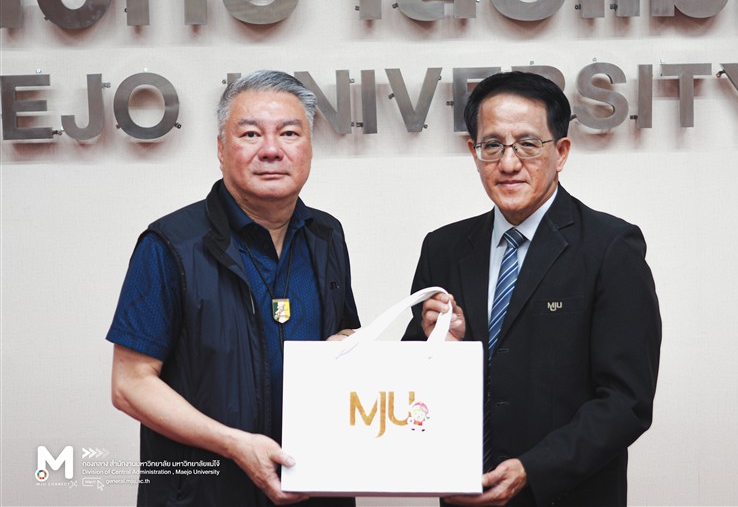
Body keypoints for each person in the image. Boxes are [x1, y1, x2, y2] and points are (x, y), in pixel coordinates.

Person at [404, 71, 661, 506]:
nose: (508, 164)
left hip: (565, 496)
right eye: (492, 145)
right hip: (462, 495)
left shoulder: (610, 247)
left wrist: (533, 469)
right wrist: (442, 348)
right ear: (473, 153)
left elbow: (626, 401)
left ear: (561, 152)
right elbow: (412, 388)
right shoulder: (443, 248)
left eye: (527, 144)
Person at [107, 70, 360, 506]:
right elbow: (129, 384)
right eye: (250, 134)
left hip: (314, 487)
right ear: (221, 150)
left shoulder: (326, 234)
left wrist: (348, 346)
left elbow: (342, 333)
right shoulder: (171, 244)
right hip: (203, 493)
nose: (271, 150)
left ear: (309, 147)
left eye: (289, 133)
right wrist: (234, 444)